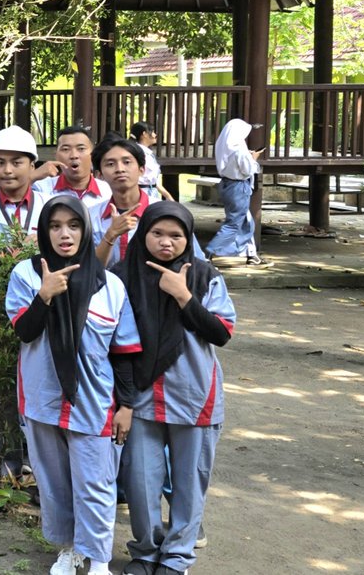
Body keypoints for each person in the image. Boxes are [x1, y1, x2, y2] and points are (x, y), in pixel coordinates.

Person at [6, 197, 142, 575]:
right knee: (54, 483)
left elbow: (124, 352)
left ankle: (98, 560)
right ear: (44, 232)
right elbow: (25, 330)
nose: (64, 234)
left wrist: (127, 405)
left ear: (85, 230)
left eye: (73, 225)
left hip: (93, 400)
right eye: (55, 226)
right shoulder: (26, 274)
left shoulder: (109, 285)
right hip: (42, 397)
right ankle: (69, 549)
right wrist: (45, 295)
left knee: (95, 483)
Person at [114, 203, 235, 575]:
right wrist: (123, 401)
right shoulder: (121, 277)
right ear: (143, 234)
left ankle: (177, 557)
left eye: (176, 235)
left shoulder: (204, 275)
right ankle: (146, 552)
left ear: (188, 239)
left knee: (189, 482)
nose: (166, 242)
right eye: (157, 234)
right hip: (140, 398)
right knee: (140, 481)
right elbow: (113, 343)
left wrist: (183, 296)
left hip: (193, 395)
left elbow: (221, 332)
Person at [0, 126, 49, 238]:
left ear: (31, 166)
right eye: (0, 163)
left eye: (16, 163)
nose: (7, 170)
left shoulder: (49, 207)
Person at [205, 118, 263, 266]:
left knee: (246, 222)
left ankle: (251, 254)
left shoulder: (223, 144)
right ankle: (208, 253)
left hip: (226, 184)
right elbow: (248, 170)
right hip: (238, 186)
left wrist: (248, 156)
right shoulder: (239, 149)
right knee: (233, 224)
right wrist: (253, 158)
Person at [92, 138, 153, 269]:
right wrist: (111, 234)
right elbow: (87, 269)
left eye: (127, 162)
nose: (120, 169)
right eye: (110, 164)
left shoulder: (163, 211)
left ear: (142, 169)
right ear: (99, 175)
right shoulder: (90, 216)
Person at [34, 126, 112, 218]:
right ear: (56, 155)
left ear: (92, 154)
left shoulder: (109, 191)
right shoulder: (41, 188)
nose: (74, 155)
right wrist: (33, 176)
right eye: (66, 149)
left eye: (81, 149)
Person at [130, 122, 174, 202]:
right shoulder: (137, 152)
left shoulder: (148, 153)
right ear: (144, 134)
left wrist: (168, 197)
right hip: (140, 194)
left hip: (152, 193)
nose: (155, 135)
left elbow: (154, 181)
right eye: (153, 132)